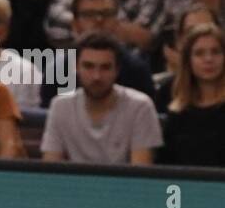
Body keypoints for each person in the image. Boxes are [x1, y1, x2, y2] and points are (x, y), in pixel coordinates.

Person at [41, 31, 162, 164]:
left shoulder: (140, 106)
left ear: (117, 70)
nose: (96, 76)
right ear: (76, 67)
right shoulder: (60, 107)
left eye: (105, 68)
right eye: (88, 66)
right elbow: (51, 167)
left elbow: (141, 173)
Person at [161, 22, 225, 165]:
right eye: (199, 53)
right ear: (188, 61)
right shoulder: (177, 113)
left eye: (216, 52)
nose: (209, 59)